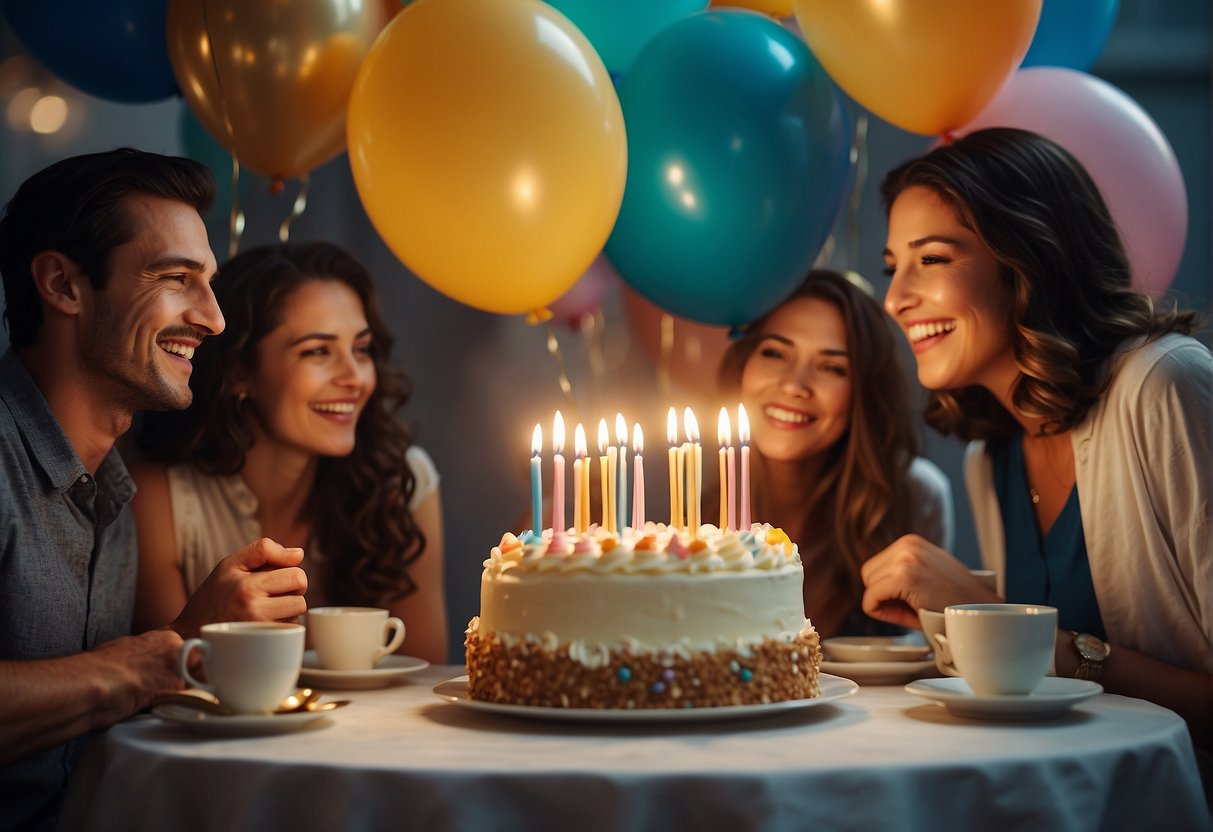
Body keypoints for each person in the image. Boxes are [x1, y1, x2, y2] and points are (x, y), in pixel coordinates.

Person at [863, 127, 1211, 753]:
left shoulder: (1164, 386)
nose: (894, 299)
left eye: (932, 259)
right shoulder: (990, 460)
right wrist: (962, 630)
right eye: (893, 267)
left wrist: (988, 617)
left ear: (1026, 258)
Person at [0, 149, 309, 831]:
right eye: (176, 278)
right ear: (63, 285)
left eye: (210, 283)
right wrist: (157, 659)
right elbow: (134, 675)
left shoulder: (115, 488)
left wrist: (189, 636)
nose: (213, 318)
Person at [131, 242, 448, 665]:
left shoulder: (402, 479)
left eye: (362, 349)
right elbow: (168, 681)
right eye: (317, 351)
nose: (355, 378)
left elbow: (422, 673)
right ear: (242, 371)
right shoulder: (159, 495)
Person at [716, 268, 954, 638]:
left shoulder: (914, 495)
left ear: (862, 392)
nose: (795, 385)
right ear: (743, 366)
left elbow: (922, 651)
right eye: (775, 353)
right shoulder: (682, 492)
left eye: (831, 367)